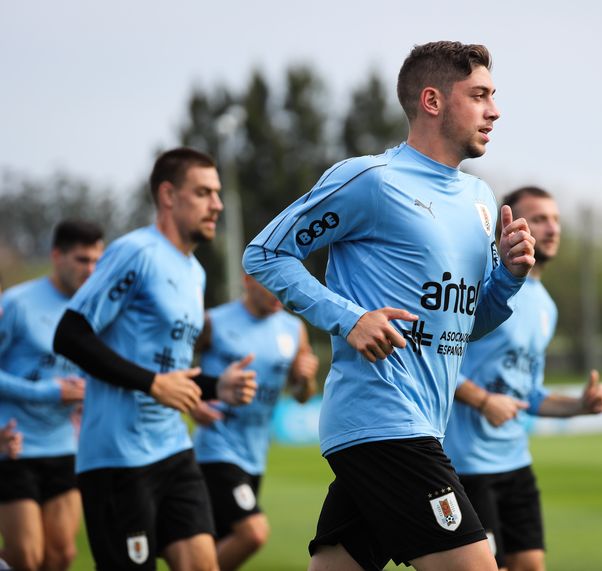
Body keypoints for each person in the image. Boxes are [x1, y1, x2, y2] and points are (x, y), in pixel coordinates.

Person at [244, 41, 536, 571]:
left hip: (421, 423)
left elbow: (465, 327)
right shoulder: (371, 180)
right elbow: (265, 254)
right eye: (479, 95)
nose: (495, 110)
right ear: (432, 100)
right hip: (382, 420)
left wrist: (510, 279)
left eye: (493, 96)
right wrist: (350, 318)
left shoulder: (480, 200)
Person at [53, 148, 258, 571]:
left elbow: (170, 370)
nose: (217, 204)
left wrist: (215, 386)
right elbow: (69, 334)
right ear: (168, 195)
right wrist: (151, 384)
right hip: (117, 458)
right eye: (203, 192)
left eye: (217, 193)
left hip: (174, 449)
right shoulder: (134, 253)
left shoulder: (194, 271)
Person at [443, 186, 602, 571]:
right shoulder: (481, 290)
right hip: (466, 465)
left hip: (515, 462)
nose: (551, 228)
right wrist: (483, 401)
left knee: (531, 566)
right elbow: (436, 362)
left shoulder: (546, 306)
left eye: (555, 219)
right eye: (538, 219)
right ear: (510, 229)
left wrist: (580, 407)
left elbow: (527, 395)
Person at [190, 274, 319, 570]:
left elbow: (302, 395)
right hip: (216, 446)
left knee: (217, 543)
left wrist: (304, 378)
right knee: (253, 533)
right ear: (247, 280)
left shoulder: (293, 329)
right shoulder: (214, 322)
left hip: (255, 453)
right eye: (271, 284)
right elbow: (178, 365)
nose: (279, 294)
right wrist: (194, 404)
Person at [0, 219, 103, 571]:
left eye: (96, 261)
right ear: (56, 256)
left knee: (60, 555)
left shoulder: (96, 310)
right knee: (26, 558)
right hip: (14, 446)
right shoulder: (17, 303)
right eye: (81, 259)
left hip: (64, 447)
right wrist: (46, 392)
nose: (90, 270)